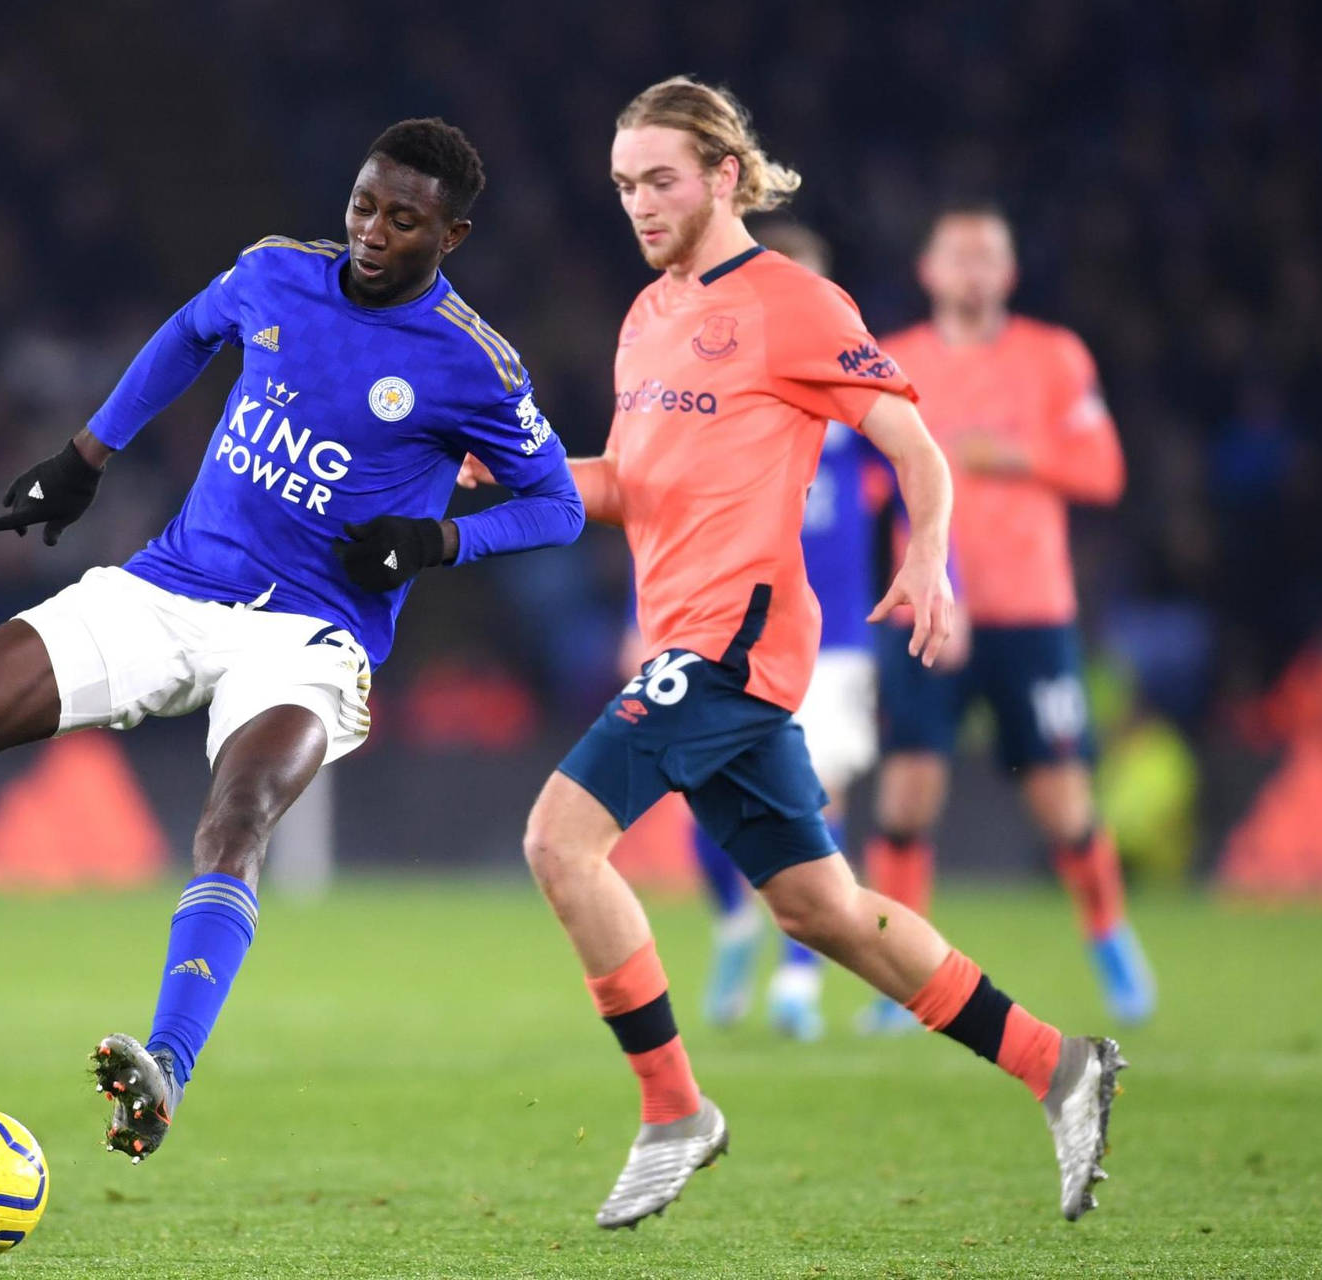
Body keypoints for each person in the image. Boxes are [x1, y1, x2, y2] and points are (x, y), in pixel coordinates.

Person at [0, 120, 586, 1165]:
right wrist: (86, 454)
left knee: (237, 815)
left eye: (405, 219)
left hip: (310, 634)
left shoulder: (474, 363)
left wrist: (439, 537)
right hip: (171, 584)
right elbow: (190, 332)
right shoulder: (277, 274)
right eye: (365, 205)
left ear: (452, 235)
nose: (373, 233)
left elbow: (555, 506)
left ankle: (164, 1068)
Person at [464, 77, 1123, 1230]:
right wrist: (511, 475)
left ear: (726, 175)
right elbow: (628, 488)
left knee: (560, 839)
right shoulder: (645, 315)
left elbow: (916, 442)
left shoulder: (796, 302)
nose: (639, 204)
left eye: (659, 179)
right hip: (686, 636)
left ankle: (674, 1108)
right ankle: (1060, 1063)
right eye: (623, 185)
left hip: (738, 638)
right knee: (825, 910)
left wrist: (925, 558)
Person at [861, 206, 1155, 1032]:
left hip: (1031, 611)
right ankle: (899, 977)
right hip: (930, 611)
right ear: (929, 270)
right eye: (957, 255)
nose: (972, 270)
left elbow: (1104, 471)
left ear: (1009, 273)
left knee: (1063, 796)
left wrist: (1013, 455)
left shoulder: (1054, 357)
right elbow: (870, 487)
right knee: (908, 792)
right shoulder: (894, 361)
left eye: (988, 255)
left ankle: (1110, 938)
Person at [675, 220, 892, 1039]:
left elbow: (910, 478)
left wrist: (941, 578)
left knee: (813, 798)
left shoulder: (854, 387)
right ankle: (735, 925)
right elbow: (664, 505)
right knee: (706, 795)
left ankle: (799, 978)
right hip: (729, 625)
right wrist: (640, 614)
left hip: (833, 637)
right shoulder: (715, 391)